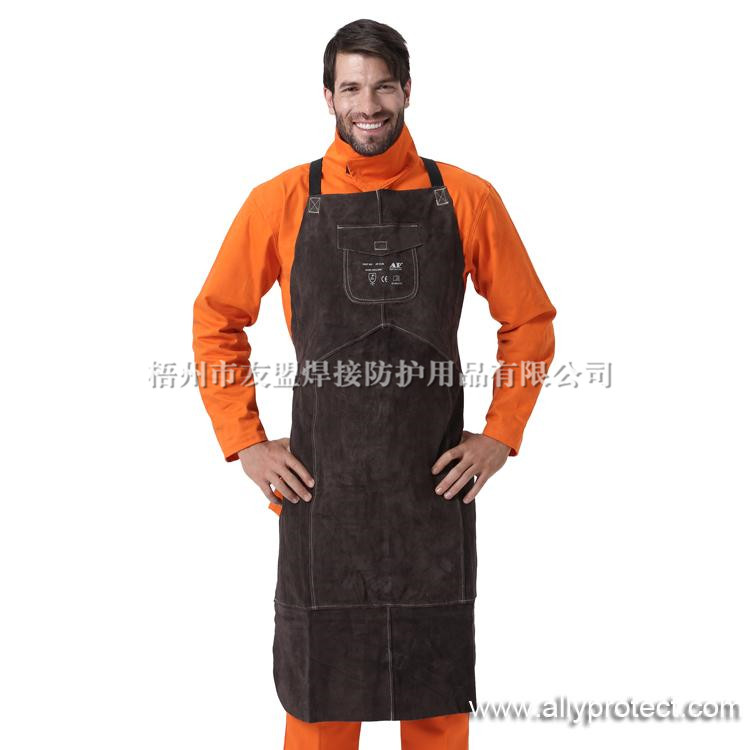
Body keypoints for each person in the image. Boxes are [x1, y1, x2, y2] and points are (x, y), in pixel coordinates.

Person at [192, 18, 556, 750]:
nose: (369, 105)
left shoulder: (468, 199)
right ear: (327, 96)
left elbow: (529, 321)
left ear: (408, 91)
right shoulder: (281, 201)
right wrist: (246, 442)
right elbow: (216, 320)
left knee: (435, 697)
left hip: (432, 494)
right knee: (320, 702)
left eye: (383, 86)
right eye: (352, 88)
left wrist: (500, 435)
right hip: (323, 496)